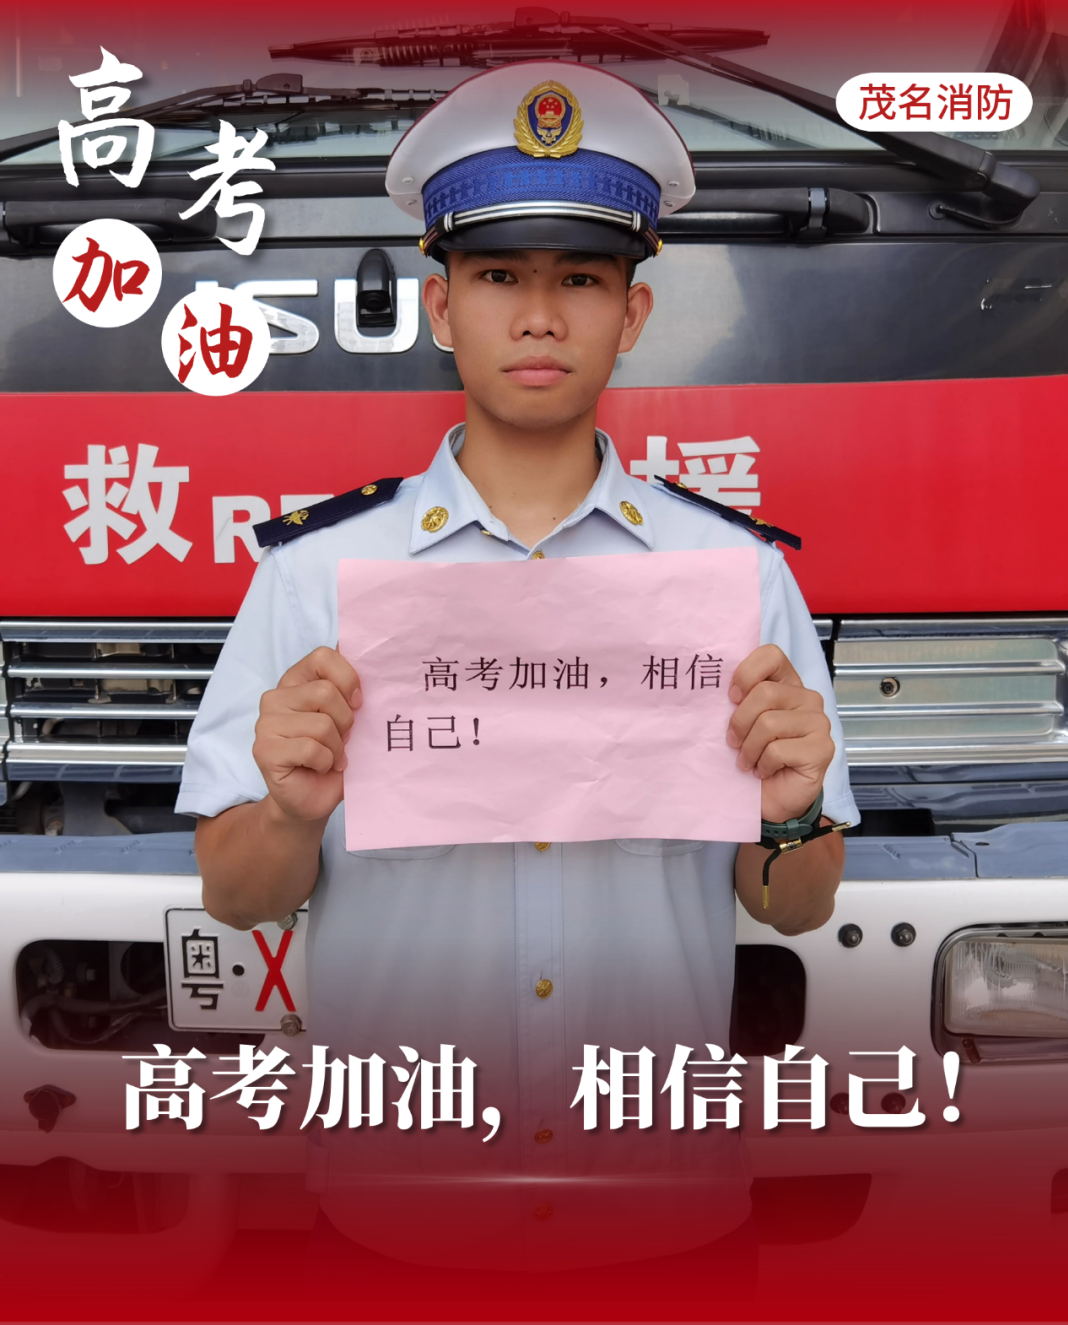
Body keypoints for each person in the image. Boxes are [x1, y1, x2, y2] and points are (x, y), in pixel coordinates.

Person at [177, 60, 859, 1294]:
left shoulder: (731, 578)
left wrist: (789, 811)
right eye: (499, 276)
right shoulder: (318, 575)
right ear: (441, 308)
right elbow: (236, 895)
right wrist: (287, 811)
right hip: (397, 1224)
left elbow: (795, 905)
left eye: (580, 279)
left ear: (632, 316)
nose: (539, 316)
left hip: (664, 1221)